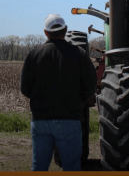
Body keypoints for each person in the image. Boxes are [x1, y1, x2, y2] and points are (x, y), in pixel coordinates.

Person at [20, 14, 97, 171]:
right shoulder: (79, 54)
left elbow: (25, 88)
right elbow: (90, 86)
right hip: (69, 121)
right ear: (66, 30)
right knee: (71, 167)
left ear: (45, 32)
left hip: (40, 121)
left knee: (39, 167)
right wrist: (79, 101)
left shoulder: (33, 55)